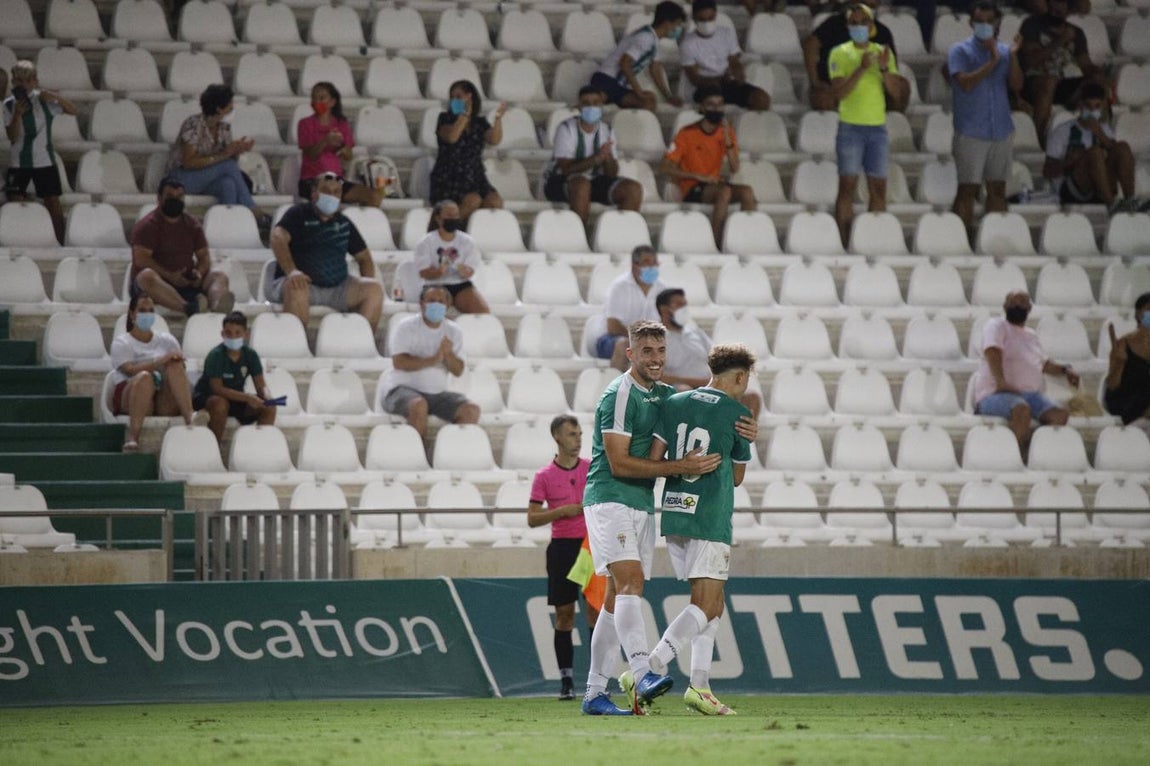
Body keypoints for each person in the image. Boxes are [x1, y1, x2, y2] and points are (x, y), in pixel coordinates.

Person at [579, 320, 757, 716]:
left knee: (613, 599)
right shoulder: (618, 395)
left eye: (660, 352)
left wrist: (744, 429)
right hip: (609, 496)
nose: (656, 359)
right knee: (631, 584)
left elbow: (697, 415)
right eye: (647, 352)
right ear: (630, 354)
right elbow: (618, 463)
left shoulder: (665, 396)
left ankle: (594, 692)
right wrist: (680, 466)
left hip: (642, 502)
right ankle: (642, 671)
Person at [646, 342, 756, 716]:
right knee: (706, 603)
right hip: (710, 515)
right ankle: (649, 667)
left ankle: (701, 686)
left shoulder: (674, 403)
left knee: (713, 603)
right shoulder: (738, 415)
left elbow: (654, 460)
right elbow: (737, 477)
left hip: (676, 512)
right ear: (740, 376)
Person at [527, 415, 598, 702]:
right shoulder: (544, 476)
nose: (578, 439)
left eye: (580, 434)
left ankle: (598, 678)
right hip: (562, 549)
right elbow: (532, 518)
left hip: (589, 547)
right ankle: (566, 680)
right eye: (572, 434)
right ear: (557, 437)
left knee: (595, 611)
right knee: (565, 615)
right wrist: (561, 512)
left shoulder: (592, 469)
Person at [268, 171, 384, 334]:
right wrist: (292, 272)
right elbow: (277, 237)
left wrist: (367, 278)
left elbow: (364, 258)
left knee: (374, 290)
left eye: (336, 192)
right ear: (314, 193)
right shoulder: (298, 214)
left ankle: (361, 341)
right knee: (296, 288)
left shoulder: (344, 223)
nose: (332, 196)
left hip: (338, 287)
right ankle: (299, 346)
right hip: (304, 284)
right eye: (326, 191)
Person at [829, 3, 904, 248]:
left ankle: (874, 243)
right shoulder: (838, 52)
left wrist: (883, 69)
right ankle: (843, 243)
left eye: (863, 22)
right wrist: (861, 69)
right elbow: (839, 92)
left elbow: (895, 93)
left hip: (877, 128)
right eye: (854, 23)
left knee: (878, 189)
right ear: (848, 26)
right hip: (850, 127)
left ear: (871, 26)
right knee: (847, 188)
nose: (859, 27)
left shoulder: (883, 52)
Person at [948, 2, 1023, 231]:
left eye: (989, 21)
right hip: (971, 131)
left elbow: (1017, 85)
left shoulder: (1004, 52)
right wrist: (992, 61)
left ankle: (992, 239)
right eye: (979, 21)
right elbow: (966, 84)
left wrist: (1012, 56)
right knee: (967, 189)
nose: (985, 26)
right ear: (971, 23)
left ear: (997, 23)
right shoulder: (959, 50)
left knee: (998, 189)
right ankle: (960, 239)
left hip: (1001, 129)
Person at [972, 291, 1080, 448]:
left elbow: (1044, 364)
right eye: (1014, 303)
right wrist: (1001, 383)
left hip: (1029, 396)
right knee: (1022, 409)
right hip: (995, 394)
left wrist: (1066, 369)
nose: (1018, 306)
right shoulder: (996, 325)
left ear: (1029, 309)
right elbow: (992, 351)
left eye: (1023, 303)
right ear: (1005, 306)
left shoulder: (1032, 335)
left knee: (1060, 415)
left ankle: (1031, 451)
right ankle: (1012, 456)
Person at [378, 285, 480, 443]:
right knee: (419, 405)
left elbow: (458, 370)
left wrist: (448, 355)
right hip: (400, 391)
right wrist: (434, 359)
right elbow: (399, 362)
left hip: (437, 394)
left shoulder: (454, 331)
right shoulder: (406, 327)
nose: (436, 305)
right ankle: (419, 459)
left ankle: (446, 456)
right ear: (421, 303)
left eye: (441, 301)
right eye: (431, 300)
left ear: (448, 305)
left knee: (471, 410)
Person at [659, 85, 756, 250]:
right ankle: (716, 245)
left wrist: (726, 137)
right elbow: (664, 168)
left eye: (720, 104)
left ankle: (744, 240)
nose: (717, 109)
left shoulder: (727, 131)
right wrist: (697, 176)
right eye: (711, 104)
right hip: (692, 186)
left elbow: (734, 167)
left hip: (714, 184)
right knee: (724, 192)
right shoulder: (686, 133)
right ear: (702, 108)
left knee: (747, 192)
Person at [166, 84, 269, 226]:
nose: (232, 111)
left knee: (228, 184)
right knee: (228, 166)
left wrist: (237, 150)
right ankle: (253, 210)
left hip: (207, 178)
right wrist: (224, 155)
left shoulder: (224, 127)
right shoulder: (193, 124)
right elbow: (188, 162)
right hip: (182, 178)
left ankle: (226, 226)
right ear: (219, 109)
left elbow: (228, 160)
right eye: (230, 108)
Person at [130, 177, 235, 317]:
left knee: (219, 276)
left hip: (186, 282)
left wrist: (198, 272)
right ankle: (189, 308)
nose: (175, 200)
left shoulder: (192, 224)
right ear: (159, 198)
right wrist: (170, 276)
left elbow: (204, 256)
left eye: (179, 196)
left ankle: (216, 309)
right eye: (170, 196)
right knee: (146, 276)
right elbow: (141, 260)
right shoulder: (147, 226)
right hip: (157, 283)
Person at [542, 86, 643, 225]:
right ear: (579, 106)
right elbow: (565, 169)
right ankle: (578, 238)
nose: (591, 107)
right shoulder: (566, 128)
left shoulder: (606, 130)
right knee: (582, 185)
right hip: (558, 181)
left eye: (595, 103)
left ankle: (621, 238)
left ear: (601, 105)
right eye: (586, 103)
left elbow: (611, 174)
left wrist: (607, 158)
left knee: (633, 189)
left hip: (592, 180)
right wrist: (595, 159)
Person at [655, 288, 762, 419]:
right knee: (685, 392)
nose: (684, 309)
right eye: (678, 305)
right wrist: (697, 382)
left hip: (711, 384)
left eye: (685, 304)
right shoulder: (656, 339)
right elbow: (657, 375)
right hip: (681, 388)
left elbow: (718, 358)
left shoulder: (695, 333)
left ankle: (744, 438)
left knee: (751, 397)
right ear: (664, 310)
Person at [3, 60, 76, 245]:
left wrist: (53, 95)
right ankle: (15, 241)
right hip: (18, 162)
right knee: (14, 204)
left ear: (34, 81)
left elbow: (73, 110)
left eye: (27, 80)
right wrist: (17, 114)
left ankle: (60, 243)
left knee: (53, 203)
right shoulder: (9, 105)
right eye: (18, 80)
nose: (23, 85)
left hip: (44, 160)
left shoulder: (44, 101)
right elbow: (12, 136)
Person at [110, 295, 195, 452]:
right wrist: (161, 361)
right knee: (144, 377)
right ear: (132, 314)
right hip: (133, 395)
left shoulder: (167, 340)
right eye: (142, 310)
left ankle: (191, 418)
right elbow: (129, 370)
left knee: (176, 366)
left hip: (163, 398)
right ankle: (133, 438)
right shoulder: (122, 342)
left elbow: (179, 370)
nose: (147, 314)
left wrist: (172, 361)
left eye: (150, 311)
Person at [1043, 82, 1139, 213]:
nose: (1093, 111)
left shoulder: (1104, 129)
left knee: (1122, 147)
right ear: (1080, 106)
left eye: (1097, 107)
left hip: (1100, 186)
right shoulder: (1063, 130)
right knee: (1095, 153)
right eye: (1088, 106)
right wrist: (1068, 162)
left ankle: (1130, 202)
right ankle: (1112, 205)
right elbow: (1047, 172)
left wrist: (1100, 134)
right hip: (1074, 188)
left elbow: (1118, 154)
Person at [1018, 0, 1102, 146]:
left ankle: (1097, 137)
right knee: (1049, 81)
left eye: (1062, 3)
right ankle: (1038, 140)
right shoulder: (1032, 25)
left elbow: (1085, 65)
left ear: (1068, 8)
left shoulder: (1076, 32)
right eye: (1054, 2)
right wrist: (1060, 40)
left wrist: (1097, 73)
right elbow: (1029, 61)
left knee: (1096, 85)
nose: (1056, 7)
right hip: (1034, 82)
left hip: (1063, 83)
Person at [191, 311, 276, 447]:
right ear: (222, 334)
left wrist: (268, 397)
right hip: (209, 398)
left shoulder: (251, 355)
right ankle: (214, 449)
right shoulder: (215, 355)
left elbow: (261, 385)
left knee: (269, 407)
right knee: (220, 404)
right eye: (228, 333)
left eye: (238, 333)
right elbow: (217, 388)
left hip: (236, 399)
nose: (233, 337)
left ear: (246, 334)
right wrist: (248, 398)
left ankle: (261, 449)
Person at [803, 0, 903, 113]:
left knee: (901, 91)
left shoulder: (883, 32)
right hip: (834, 85)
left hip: (871, 85)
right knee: (822, 97)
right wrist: (816, 82)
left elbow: (891, 70)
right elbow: (810, 44)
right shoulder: (834, 24)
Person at [297, 81, 385, 207]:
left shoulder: (341, 124)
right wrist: (326, 141)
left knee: (374, 196)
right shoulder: (305, 124)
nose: (317, 101)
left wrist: (343, 148)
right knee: (329, 194)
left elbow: (348, 156)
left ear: (332, 102)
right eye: (314, 98)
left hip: (336, 180)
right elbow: (310, 154)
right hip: (312, 180)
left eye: (321, 98)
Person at [589, 0, 686, 112]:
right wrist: (638, 92)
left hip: (617, 84)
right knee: (646, 101)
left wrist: (668, 96)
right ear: (667, 23)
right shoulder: (646, 38)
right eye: (678, 24)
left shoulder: (654, 39)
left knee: (650, 98)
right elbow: (624, 63)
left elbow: (655, 69)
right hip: (606, 80)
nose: (679, 28)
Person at [430, 79, 505, 223]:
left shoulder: (479, 123)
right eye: (452, 97)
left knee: (495, 202)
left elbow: (494, 139)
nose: (454, 101)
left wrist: (498, 119)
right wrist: (464, 116)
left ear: (470, 97)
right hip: (449, 176)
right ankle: (450, 230)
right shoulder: (444, 119)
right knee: (473, 200)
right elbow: (452, 137)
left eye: (458, 97)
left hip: (475, 176)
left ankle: (476, 233)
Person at [680, 0, 770, 112]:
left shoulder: (726, 33)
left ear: (715, 15)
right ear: (694, 19)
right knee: (714, 103)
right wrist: (717, 80)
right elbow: (694, 78)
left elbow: (733, 60)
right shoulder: (688, 43)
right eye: (702, 19)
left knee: (761, 99)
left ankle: (743, 126)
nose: (707, 23)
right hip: (705, 87)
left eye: (710, 18)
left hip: (727, 83)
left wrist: (738, 71)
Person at [412, 200, 489, 314]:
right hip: (434, 285)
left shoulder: (467, 241)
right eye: (449, 215)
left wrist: (465, 271)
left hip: (460, 285)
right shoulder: (425, 242)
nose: (453, 219)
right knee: (436, 314)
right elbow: (423, 273)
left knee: (482, 312)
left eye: (456, 215)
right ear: (438, 218)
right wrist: (439, 272)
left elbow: (471, 269)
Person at [596, 245, 666, 372]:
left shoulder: (662, 288)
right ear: (635, 265)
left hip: (649, 340)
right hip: (612, 340)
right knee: (625, 345)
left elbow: (665, 321)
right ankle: (618, 389)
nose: (652, 267)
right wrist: (640, 339)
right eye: (647, 263)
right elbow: (612, 326)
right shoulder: (619, 287)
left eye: (655, 263)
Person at [1103, 293, 1150, 438]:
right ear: (1138, 313)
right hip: (1125, 398)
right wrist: (1119, 363)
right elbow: (1112, 385)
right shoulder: (1123, 344)